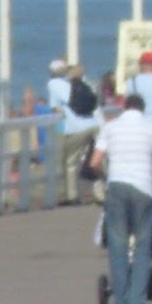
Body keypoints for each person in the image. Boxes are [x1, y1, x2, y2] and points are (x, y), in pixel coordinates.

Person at [89, 92, 152, 304]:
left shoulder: (111, 127)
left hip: (116, 186)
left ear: (124, 108)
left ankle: (121, 297)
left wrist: (105, 177)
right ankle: (137, 300)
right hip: (144, 187)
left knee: (118, 244)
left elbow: (95, 161)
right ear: (142, 109)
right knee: (143, 245)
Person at [48, 60, 101, 204]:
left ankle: (72, 196)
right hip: (94, 124)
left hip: (75, 127)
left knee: (70, 161)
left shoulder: (53, 84)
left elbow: (57, 109)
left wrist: (60, 130)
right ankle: (101, 193)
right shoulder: (81, 82)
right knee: (95, 160)